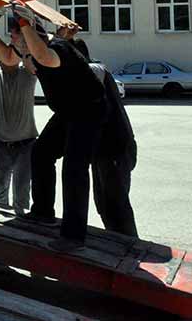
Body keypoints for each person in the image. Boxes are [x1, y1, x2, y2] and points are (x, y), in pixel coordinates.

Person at [12, 4, 108, 252]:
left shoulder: (58, 49)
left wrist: (25, 23)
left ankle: (73, 236)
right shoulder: (37, 54)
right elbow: (10, 56)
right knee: (41, 152)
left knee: (74, 169)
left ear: (31, 37)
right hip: (69, 112)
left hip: (88, 111)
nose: (14, 43)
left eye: (17, 38)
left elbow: (44, 56)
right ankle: (43, 211)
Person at [71, 38, 138, 238]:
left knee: (116, 205)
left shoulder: (94, 72)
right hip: (103, 150)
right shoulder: (90, 72)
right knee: (104, 204)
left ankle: (129, 247)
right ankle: (118, 243)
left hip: (114, 148)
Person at [0, 14, 39, 214]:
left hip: (25, 145)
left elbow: (31, 54)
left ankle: (21, 234)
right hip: (0, 145)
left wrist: (24, 30)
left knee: (22, 195)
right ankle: (2, 231)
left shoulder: (27, 73)